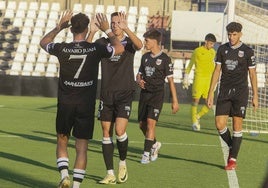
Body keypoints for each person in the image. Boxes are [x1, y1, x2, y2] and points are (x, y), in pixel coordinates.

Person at [40, 11, 124, 188]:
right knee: (82, 147)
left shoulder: (62, 48)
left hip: (66, 102)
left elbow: (44, 42)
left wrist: (58, 27)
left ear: (71, 29)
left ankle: (64, 176)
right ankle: (76, 186)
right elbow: (120, 48)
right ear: (87, 29)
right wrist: (107, 29)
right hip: (85, 105)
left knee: (62, 140)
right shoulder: (95, 49)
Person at [87, 12, 143, 184]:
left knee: (119, 130)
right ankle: (110, 173)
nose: (115, 25)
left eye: (118, 22)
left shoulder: (128, 43)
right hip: (106, 93)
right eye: (112, 23)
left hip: (125, 92)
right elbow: (86, 50)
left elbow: (140, 45)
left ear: (123, 23)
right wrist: (92, 31)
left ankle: (123, 163)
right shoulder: (103, 43)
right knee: (106, 132)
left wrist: (128, 29)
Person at [207, 22, 258, 170]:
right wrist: (211, 92)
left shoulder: (248, 51)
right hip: (224, 91)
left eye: (234, 34)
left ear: (240, 34)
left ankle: (232, 160)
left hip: (240, 92)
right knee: (219, 124)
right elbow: (217, 71)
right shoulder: (222, 49)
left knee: (237, 126)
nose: (231, 37)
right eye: (229, 34)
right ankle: (232, 146)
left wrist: (255, 95)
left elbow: (252, 74)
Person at [136, 28, 179, 164]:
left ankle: (146, 154)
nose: (145, 43)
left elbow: (171, 82)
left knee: (150, 124)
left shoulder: (166, 59)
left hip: (157, 95)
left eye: (147, 40)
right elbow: (139, 74)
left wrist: (175, 101)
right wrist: (138, 79)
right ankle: (154, 144)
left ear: (155, 41)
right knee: (142, 125)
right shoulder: (145, 57)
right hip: (144, 95)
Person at [183, 33, 217, 131]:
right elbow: (190, 64)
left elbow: (213, 66)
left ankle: (198, 116)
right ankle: (194, 122)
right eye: (211, 43)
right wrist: (186, 76)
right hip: (199, 79)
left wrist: (215, 82)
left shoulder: (213, 52)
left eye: (213, 44)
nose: (212, 46)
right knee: (195, 101)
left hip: (209, 81)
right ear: (206, 42)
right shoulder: (197, 51)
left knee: (209, 104)